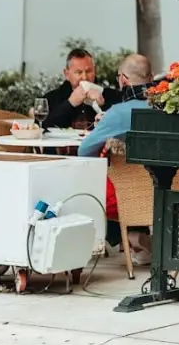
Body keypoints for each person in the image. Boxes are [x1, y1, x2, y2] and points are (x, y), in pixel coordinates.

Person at [77, 54, 153, 264]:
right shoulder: (168, 107)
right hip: (171, 192)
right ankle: (139, 239)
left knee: (86, 184)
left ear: (124, 80)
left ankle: (129, 238)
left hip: (128, 197)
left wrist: (105, 126)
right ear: (152, 77)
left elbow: (84, 152)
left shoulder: (118, 113)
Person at [42, 48, 120, 129]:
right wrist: (70, 103)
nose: (84, 77)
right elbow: (42, 126)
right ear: (67, 74)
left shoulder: (111, 95)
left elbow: (120, 125)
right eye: (78, 72)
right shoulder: (51, 98)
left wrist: (102, 105)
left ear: (95, 71)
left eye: (89, 71)